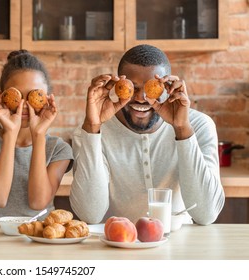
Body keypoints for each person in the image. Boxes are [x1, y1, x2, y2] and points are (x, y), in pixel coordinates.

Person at [70, 44, 224, 225]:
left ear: (167, 87)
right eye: (132, 88)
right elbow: (90, 215)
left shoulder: (198, 126)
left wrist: (182, 129)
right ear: (119, 86)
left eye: (152, 88)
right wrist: (93, 128)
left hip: (180, 243)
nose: (141, 98)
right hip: (116, 244)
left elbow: (206, 214)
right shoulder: (91, 132)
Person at [0, 50, 73, 222]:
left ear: (47, 98)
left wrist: (38, 135)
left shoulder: (58, 149)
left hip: (40, 239)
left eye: (34, 95)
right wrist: (10, 134)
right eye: (17, 96)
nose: (24, 105)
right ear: (2, 97)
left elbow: (38, 202)